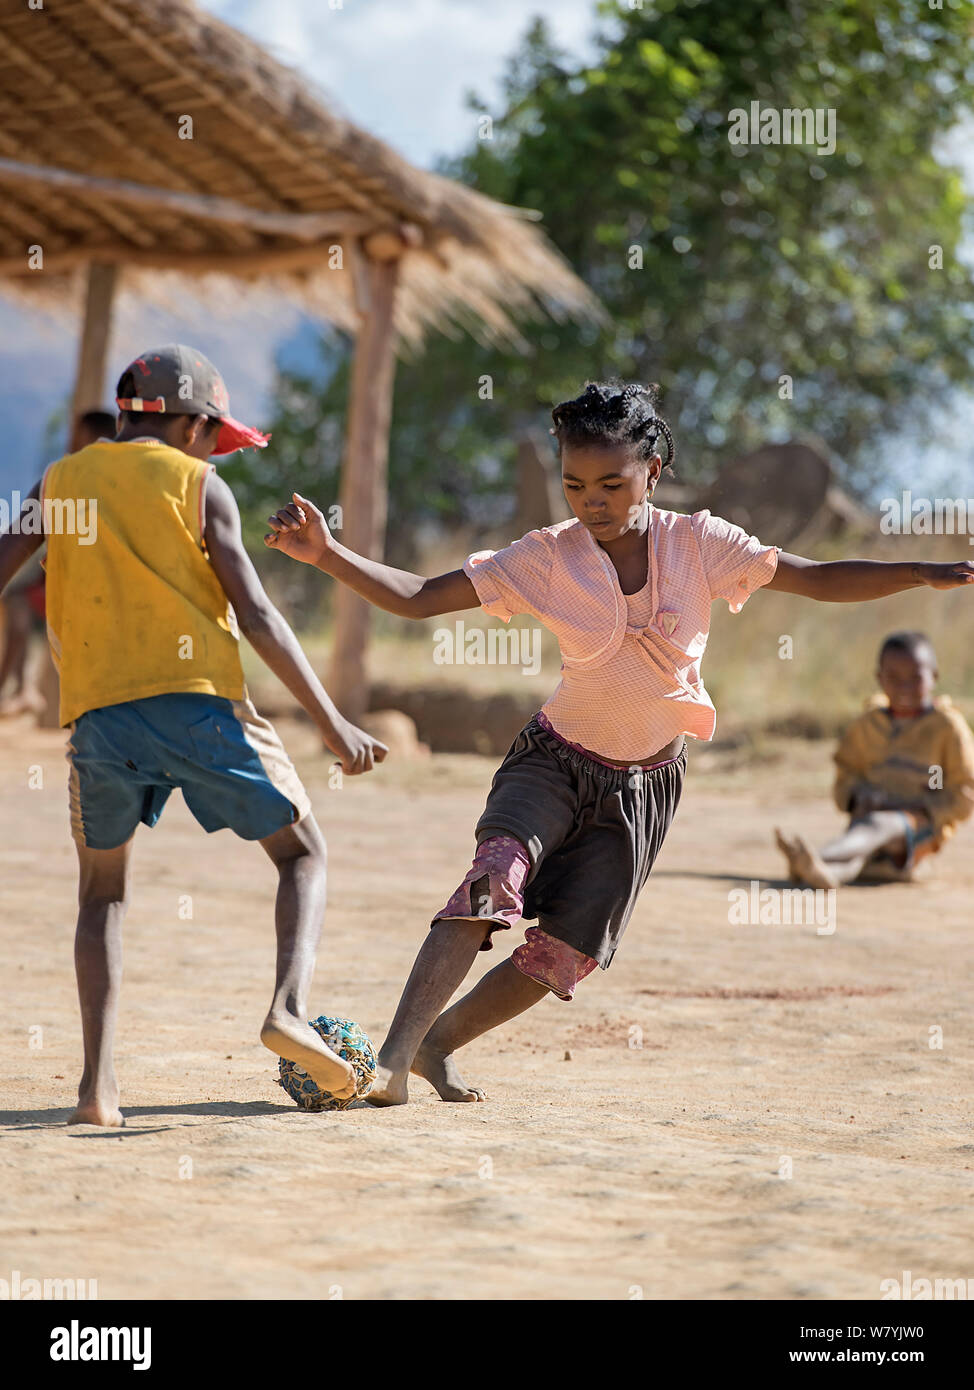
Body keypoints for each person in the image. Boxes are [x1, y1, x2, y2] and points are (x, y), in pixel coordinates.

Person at [264, 379, 974, 1106]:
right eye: (574, 485)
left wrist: (915, 571)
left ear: (653, 474)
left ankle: (439, 1045)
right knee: (488, 885)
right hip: (552, 763)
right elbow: (417, 597)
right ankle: (392, 1059)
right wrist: (327, 556)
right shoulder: (547, 557)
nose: (590, 501)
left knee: (567, 952)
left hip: (644, 789)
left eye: (611, 483)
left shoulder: (701, 544)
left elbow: (816, 578)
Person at [0, 345, 387, 1126]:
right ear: (198, 426)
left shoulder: (59, 480)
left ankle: (96, 1092)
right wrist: (331, 720)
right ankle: (287, 1010)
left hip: (99, 717)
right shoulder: (199, 485)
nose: (216, 450)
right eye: (217, 436)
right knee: (303, 853)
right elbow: (258, 616)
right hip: (201, 703)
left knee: (101, 893)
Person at [775, 631, 974, 886]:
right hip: (866, 822)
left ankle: (820, 855)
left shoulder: (948, 726)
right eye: (894, 678)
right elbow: (846, 773)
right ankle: (822, 873)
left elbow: (966, 792)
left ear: (934, 676)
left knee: (881, 825)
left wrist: (923, 806)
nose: (904, 687)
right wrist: (858, 797)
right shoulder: (868, 724)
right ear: (879, 678)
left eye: (915, 678)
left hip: (918, 831)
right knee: (862, 846)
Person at [0, 410, 115, 717]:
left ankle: (18, 687)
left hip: (85, 587)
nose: (72, 440)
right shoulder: (119, 476)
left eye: (77, 434)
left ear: (88, 436)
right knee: (18, 599)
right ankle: (21, 689)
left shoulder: (71, 476)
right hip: (96, 583)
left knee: (16, 599)